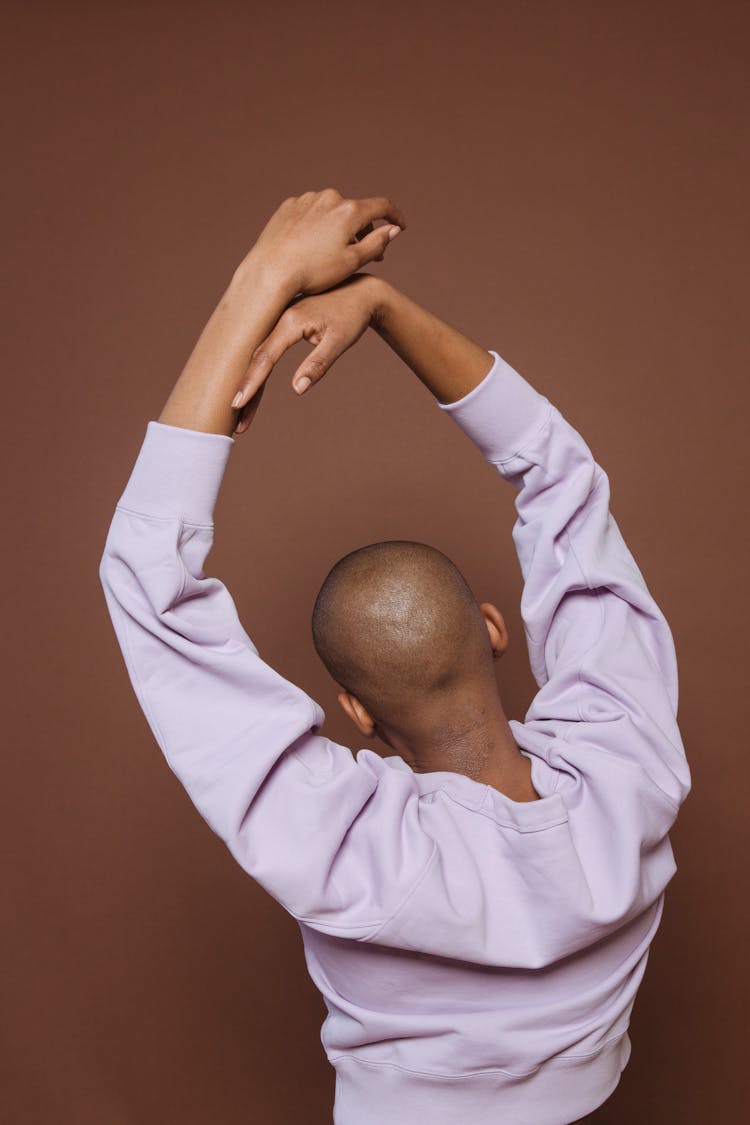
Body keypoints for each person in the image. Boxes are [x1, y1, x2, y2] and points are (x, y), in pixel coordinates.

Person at [98, 190, 691, 1125]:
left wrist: (263, 281)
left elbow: (146, 577)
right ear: (495, 628)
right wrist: (384, 308)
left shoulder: (354, 850)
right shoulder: (631, 761)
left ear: (356, 714)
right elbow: (560, 474)